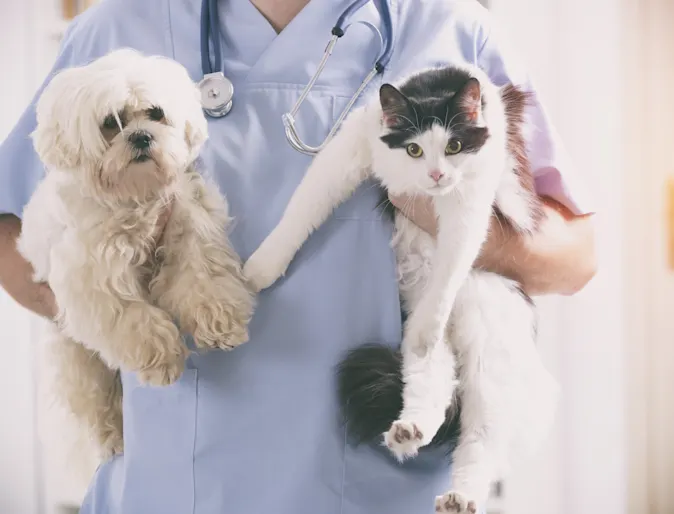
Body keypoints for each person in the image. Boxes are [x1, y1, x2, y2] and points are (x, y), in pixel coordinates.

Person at [0, 0, 597, 513]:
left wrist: (458, 225)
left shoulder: (448, 26)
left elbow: (575, 257)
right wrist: (103, 301)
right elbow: (12, 241)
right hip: (180, 481)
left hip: (385, 476)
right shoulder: (116, 27)